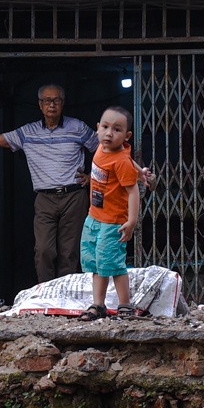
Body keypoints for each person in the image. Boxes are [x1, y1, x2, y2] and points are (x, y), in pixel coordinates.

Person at [0, 85, 95, 284]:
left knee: (69, 251)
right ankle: (45, 293)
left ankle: (64, 295)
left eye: (56, 100)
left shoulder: (77, 127)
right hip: (45, 198)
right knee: (44, 250)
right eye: (47, 100)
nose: (51, 104)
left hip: (74, 196)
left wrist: (92, 176)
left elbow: (104, 147)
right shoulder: (28, 132)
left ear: (63, 103)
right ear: (40, 105)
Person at [79, 105, 155, 319]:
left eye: (117, 129)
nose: (109, 133)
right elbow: (129, 159)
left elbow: (133, 193)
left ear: (127, 135)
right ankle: (98, 305)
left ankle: (125, 305)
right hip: (94, 218)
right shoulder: (103, 148)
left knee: (114, 264)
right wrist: (140, 171)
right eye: (105, 127)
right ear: (98, 128)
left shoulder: (119, 160)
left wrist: (131, 221)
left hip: (113, 222)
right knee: (96, 264)